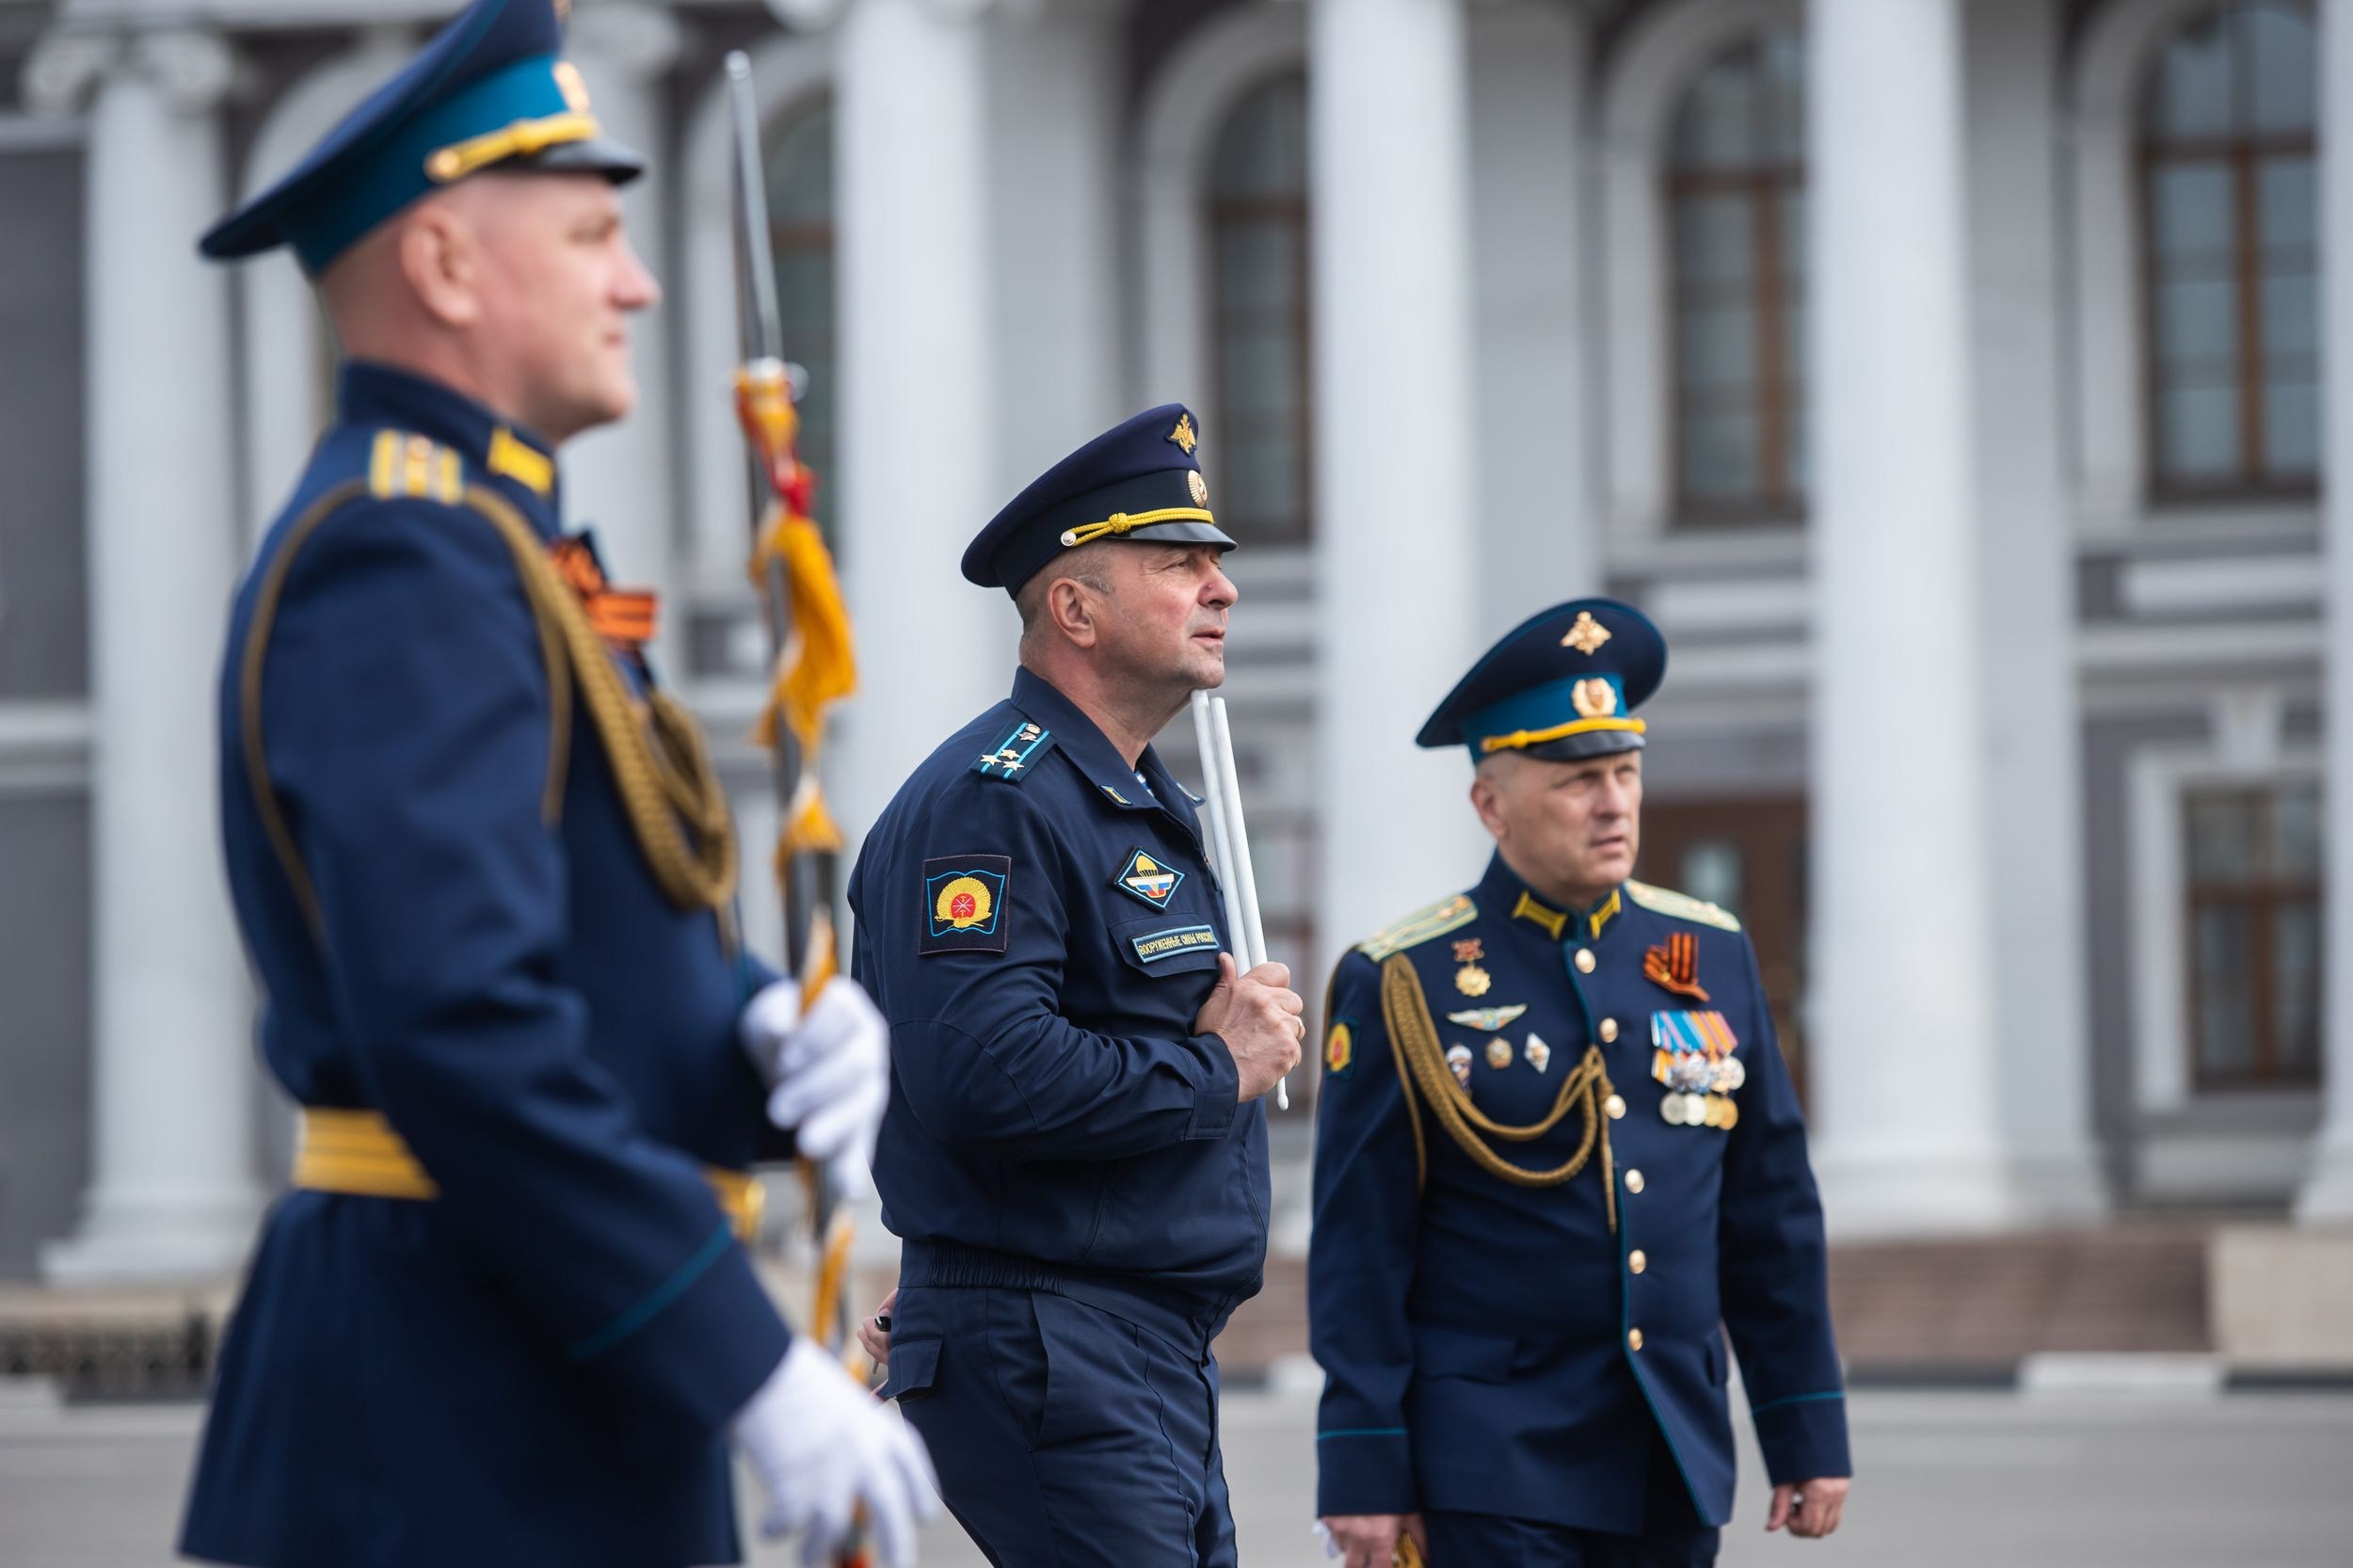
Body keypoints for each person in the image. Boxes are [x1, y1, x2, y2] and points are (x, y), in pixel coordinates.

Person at [184, 3, 933, 1564]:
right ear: (450, 269)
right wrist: (745, 1365)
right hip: (451, 1414)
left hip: (532, 1384)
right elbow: (458, 1024)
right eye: (594, 233)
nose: (639, 282)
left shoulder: (499, 549)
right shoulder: (405, 554)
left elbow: (588, 939)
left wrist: (752, 1032)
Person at [846, 406, 1305, 1567]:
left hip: (1135, 1339)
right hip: (1057, 1340)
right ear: (1074, 608)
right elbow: (983, 1075)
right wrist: (1219, 1067)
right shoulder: (996, 800)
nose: (1221, 589)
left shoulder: (1130, 798)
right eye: (1179, 564)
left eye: (1217, 565)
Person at [1309, 600, 1851, 1568]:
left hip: (1667, 1448)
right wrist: (1362, 1464)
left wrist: (1804, 1426)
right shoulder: (1403, 979)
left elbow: (1768, 1213)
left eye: (1624, 773)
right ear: (1491, 804)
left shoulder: (1707, 953)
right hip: (1490, 1457)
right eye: (1575, 781)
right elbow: (1361, 1249)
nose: (1612, 804)